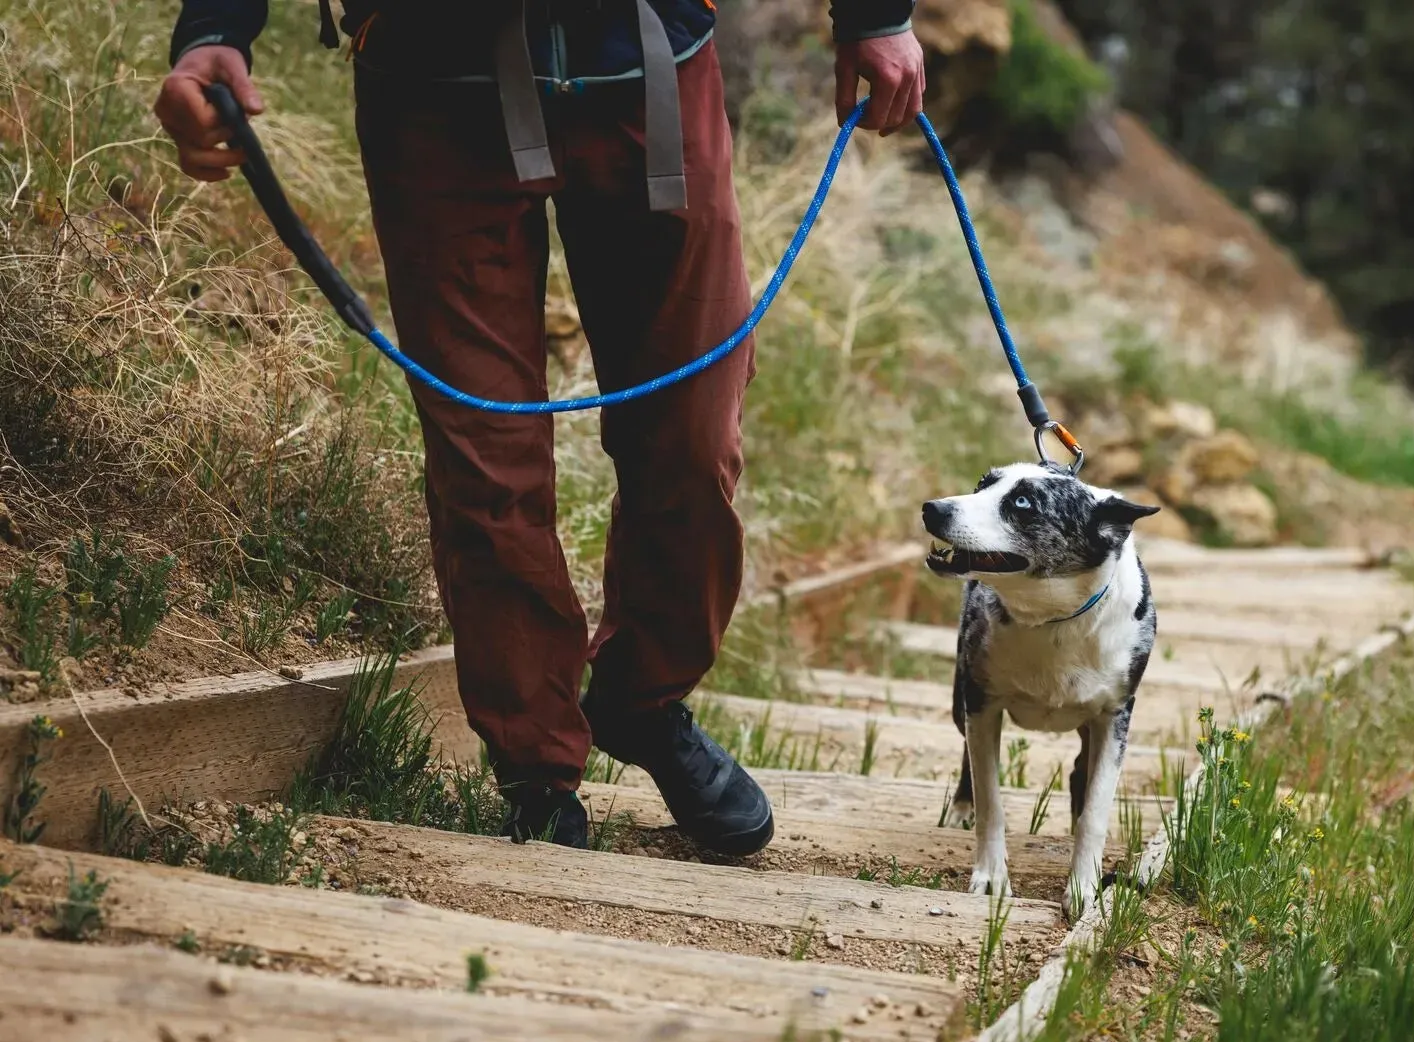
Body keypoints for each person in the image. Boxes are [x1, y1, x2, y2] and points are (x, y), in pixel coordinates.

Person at [155, 1, 926, 855]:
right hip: (432, 78)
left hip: (650, 62)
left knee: (694, 430)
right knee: (487, 458)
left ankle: (642, 702)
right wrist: (215, 29)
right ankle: (535, 767)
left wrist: (875, 12)